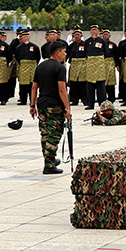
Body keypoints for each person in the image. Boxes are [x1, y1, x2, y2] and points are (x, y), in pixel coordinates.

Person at [29, 40, 70, 175]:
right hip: (55, 106)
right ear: (57, 52)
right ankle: (49, 165)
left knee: (45, 134)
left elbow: (34, 87)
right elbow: (62, 90)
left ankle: (49, 160)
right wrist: (67, 108)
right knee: (54, 134)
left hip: (42, 105)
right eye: (64, 51)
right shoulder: (60, 68)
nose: (66, 54)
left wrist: (32, 105)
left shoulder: (40, 66)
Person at [13, 29, 40, 107]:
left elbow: (38, 57)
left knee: (32, 84)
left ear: (30, 37)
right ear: (21, 38)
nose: (26, 38)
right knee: (23, 84)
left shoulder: (34, 47)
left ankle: (32, 99)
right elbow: (17, 58)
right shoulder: (18, 47)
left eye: (27, 36)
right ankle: (23, 99)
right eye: (24, 37)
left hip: (32, 66)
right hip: (23, 66)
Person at [102, 29, 119, 103]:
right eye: (104, 34)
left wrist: (117, 64)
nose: (106, 36)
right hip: (102, 63)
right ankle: (103, 97)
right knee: (102, 81)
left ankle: (112, 97)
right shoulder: (100, 44)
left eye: (107, 34)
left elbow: (117, 55)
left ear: (110, 36)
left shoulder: (113, 44)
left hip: (111, 63)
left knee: (111, 81)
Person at [0, 29, 11, 104]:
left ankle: (3, 99)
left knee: (3, 83)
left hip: (3, 66)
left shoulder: (5, 45)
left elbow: (9, 56)